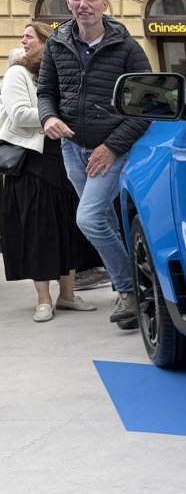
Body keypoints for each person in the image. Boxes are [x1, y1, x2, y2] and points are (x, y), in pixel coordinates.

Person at [37, 0, 151, 330]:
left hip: (109, 150)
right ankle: (137, 286)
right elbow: (46, 92)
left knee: (88, 219)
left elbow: (147, 105)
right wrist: (49, 117)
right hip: (72, 147)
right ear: (68, 3)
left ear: (105, 3)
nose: (82, 4)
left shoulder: (127, 47)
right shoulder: (57, 42)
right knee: (100, 220)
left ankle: (129, 289)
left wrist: (111, 147)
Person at [0, 22, 102, 322]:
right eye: (24, 36)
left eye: (29, 36)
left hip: (63, 157)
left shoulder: (60, 74)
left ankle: (68, 295)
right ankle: (44, 299)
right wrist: (55, 114)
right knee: (39, 231)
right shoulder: (19, 73)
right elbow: (18, 115)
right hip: (33, 162)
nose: (23, 41)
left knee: (68, 228)